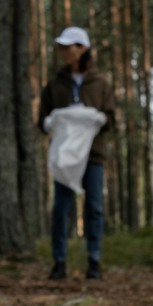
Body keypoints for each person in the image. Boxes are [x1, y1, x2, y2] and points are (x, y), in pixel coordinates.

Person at [38, 27, 116, 281]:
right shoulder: (54, 84)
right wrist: (49, 123)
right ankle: (59, 262)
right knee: (61, 207)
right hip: (64, 157)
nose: (63, 52)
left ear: (82, 49)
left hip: (92, 156)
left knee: (94, 207)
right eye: (61, 47)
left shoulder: (101, 83)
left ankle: (94, 261)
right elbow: (42, 119)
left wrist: (98, 119)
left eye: (68, 47)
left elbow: (112, 119)